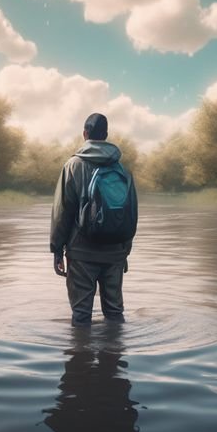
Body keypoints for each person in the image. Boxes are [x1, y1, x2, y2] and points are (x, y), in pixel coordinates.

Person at [50, 113, 138, 327]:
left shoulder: (73, 166)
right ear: (106, 135)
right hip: (115, 252)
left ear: (85, 134)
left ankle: (81, 358)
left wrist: (57, 250)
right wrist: (125, 250)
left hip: (81, 253)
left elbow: (62, 211)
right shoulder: (122, 170)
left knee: (81, 316)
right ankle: (115, 356)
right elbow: (131, 213)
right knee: (115, 314)